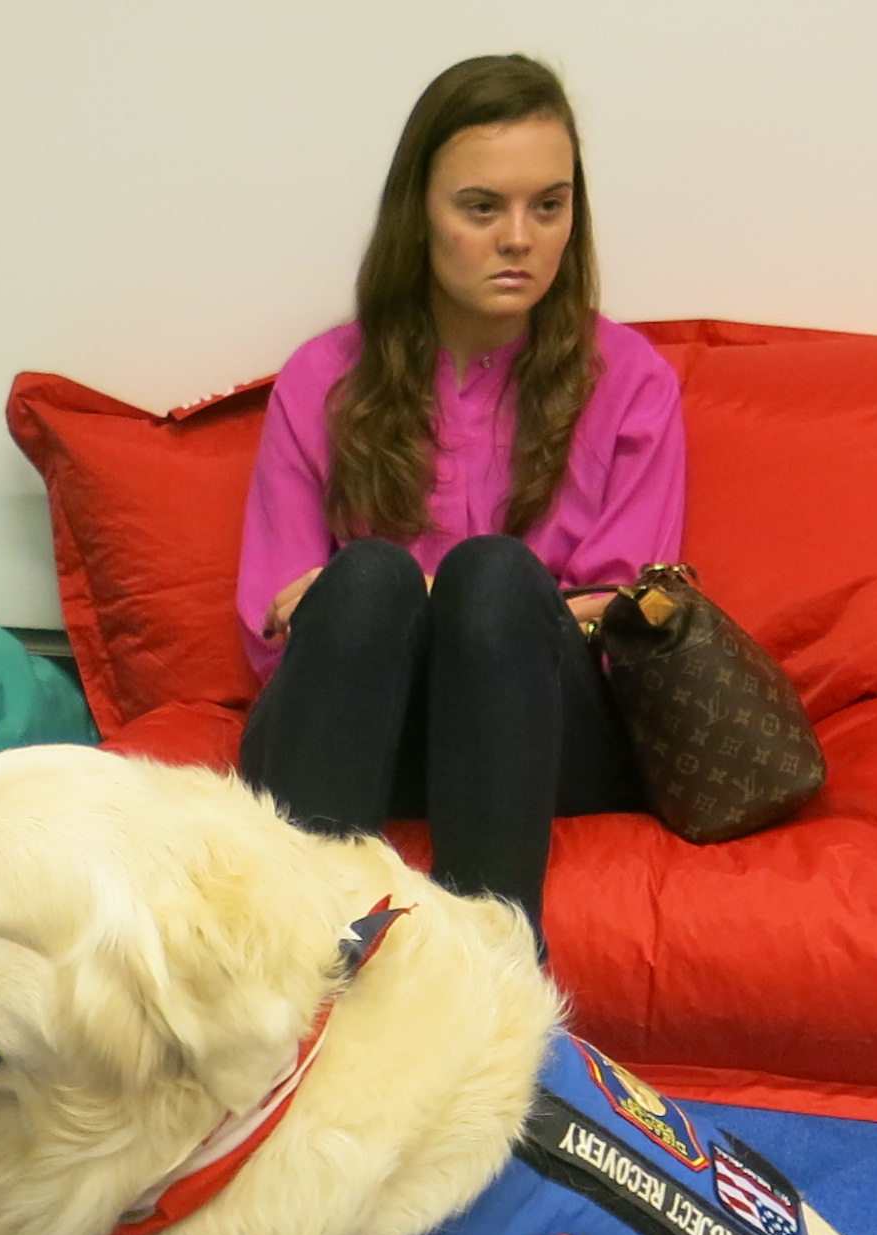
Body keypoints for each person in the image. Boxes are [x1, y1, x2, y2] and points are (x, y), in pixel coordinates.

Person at [233, 53, 695, 922]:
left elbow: (624, 617)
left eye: (548, 207)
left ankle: (493, 962)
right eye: (482, 207)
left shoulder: (630, 380)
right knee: (370, 577)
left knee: (490, 577)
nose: (519, 237)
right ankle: (303, 966)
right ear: (420, 215)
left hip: (541, 732)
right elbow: (278, 626)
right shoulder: (323, 377)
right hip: (358, 720)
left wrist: (449, 599)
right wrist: (376, 601)